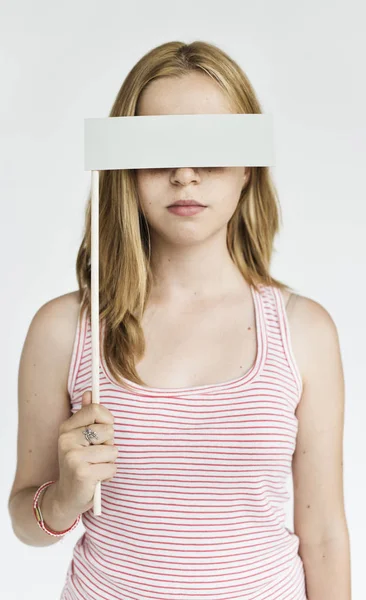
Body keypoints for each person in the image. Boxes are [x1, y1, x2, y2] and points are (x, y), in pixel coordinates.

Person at [8, 40, 351, 600]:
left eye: (210, 147)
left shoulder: (304, 332)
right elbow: (26, 519)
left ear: (248, 168)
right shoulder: (64, 330)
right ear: (125, 165)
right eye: (160, 146)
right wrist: (67, 494)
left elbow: (326, 535)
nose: (185, 173)